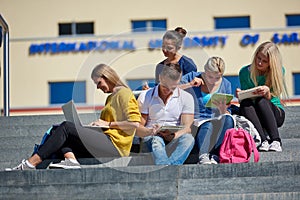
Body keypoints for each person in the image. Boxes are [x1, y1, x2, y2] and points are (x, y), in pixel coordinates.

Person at [7, 64, 141, 170]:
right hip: (105, 140)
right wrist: (96, 127)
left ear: (107, 76)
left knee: (66, 127)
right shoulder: (111, 98)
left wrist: (108, 125)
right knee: (56, 131)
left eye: (98, 83)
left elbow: (134, 123)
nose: (98, 87)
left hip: (115, 145)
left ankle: (30, 164)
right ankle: (71, 160)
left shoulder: (124, 94)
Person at [136, 63, 195, 165]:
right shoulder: (145, 96)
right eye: (165, 86)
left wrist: (173, 135)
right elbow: (139, 126)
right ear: (160, 78)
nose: (168, 91)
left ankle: (166, 168)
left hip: (174, 137)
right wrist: (151, 131)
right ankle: (168, 170)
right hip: (151, 137)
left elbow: (187, 128)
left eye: (172, 87)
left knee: (189, 139)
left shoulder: (186, 97)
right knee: (157, 141)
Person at [180, 56, 234, 164]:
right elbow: (170, 89)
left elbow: (227, 108)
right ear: (205, 71)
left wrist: (224, 110)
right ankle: (203, 155)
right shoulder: (192, 76)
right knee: (207, 124)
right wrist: (189, 85)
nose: (213, 81)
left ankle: (216, 154)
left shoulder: (226, 84)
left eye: (217, 78)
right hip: (196, 119)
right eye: (210, 77)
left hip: (215, 118)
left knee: (228, 119)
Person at [237, 41, 286, 152]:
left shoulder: (278, 71)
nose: (259, 63)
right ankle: (263, 140)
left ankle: (276, 140)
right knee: (245, 103)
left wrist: (267, 92)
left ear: (271, 63)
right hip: (254, 114)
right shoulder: (244, 72)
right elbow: (246, 101)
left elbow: (275, 96)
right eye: (258, 58)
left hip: (274, 113)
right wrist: (241, 94)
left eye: (264, 61)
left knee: (261, 101)